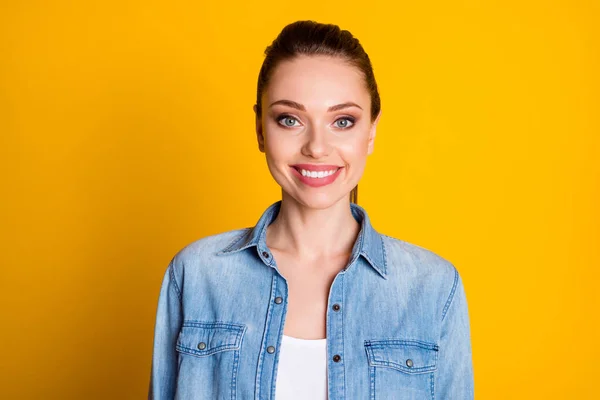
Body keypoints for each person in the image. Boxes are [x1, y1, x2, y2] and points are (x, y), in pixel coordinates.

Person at [148, 20, 474, 400]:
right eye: (290, 119)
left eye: (343, 121)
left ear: (370, 131)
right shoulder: (196, 274)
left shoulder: (433, 287)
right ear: (260, 128)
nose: (317, 147)